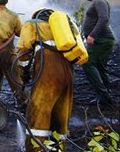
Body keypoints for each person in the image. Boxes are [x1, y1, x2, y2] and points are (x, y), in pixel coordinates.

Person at [17, 8, 74, 151]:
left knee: (39, 111)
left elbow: (23, 50)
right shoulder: (64, 28)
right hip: (68, 73)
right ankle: (58, 147)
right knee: (61, 113)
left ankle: (36, 148)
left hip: (49, 73)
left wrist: (24, 72)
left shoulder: (32, 25)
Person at [81, 0, 115, 106]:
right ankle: (104, 97)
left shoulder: (100, 0)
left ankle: (104, 95)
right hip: (100, 40)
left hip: (102, 40)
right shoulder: (97, 1)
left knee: (87, 61)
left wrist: (92, 35)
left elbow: (104, 18)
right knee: (100, 67)